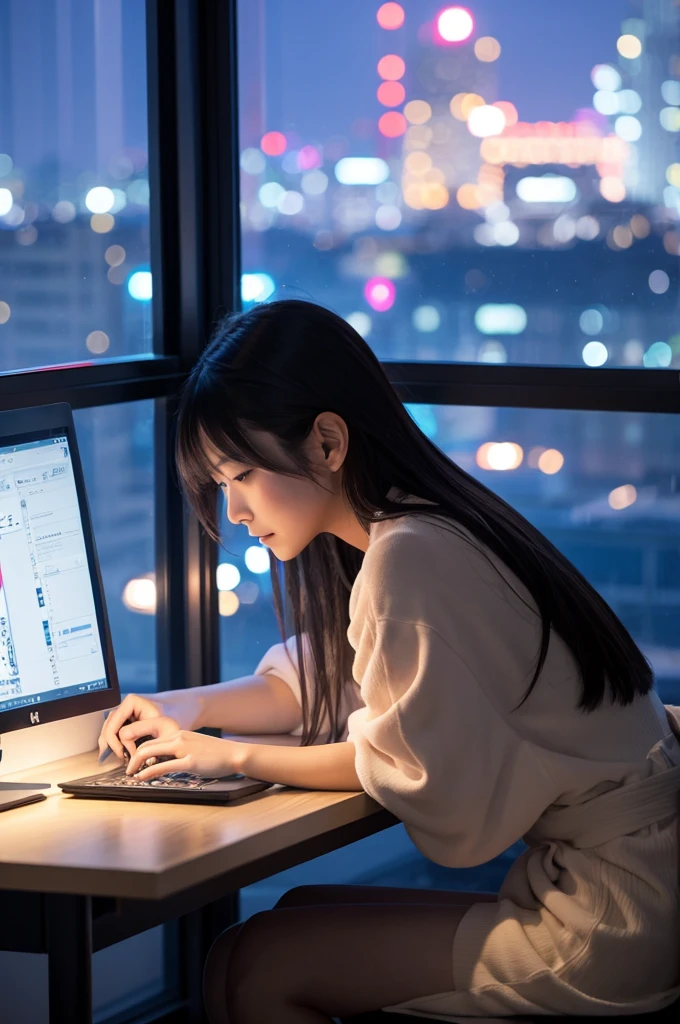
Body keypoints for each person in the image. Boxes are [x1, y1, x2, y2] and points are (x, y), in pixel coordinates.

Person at [99, 299, 680, 1024]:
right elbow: (346, 681)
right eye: (221, 485)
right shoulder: (425, 525)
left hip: (611, 919)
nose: (236, 511)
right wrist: (193, 709)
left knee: (260, 967)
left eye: (241, 474)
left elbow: (405, 765)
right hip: (636, 882)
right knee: (268, 933)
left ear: (327, 443)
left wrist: (233, 757)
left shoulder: (409, 556)